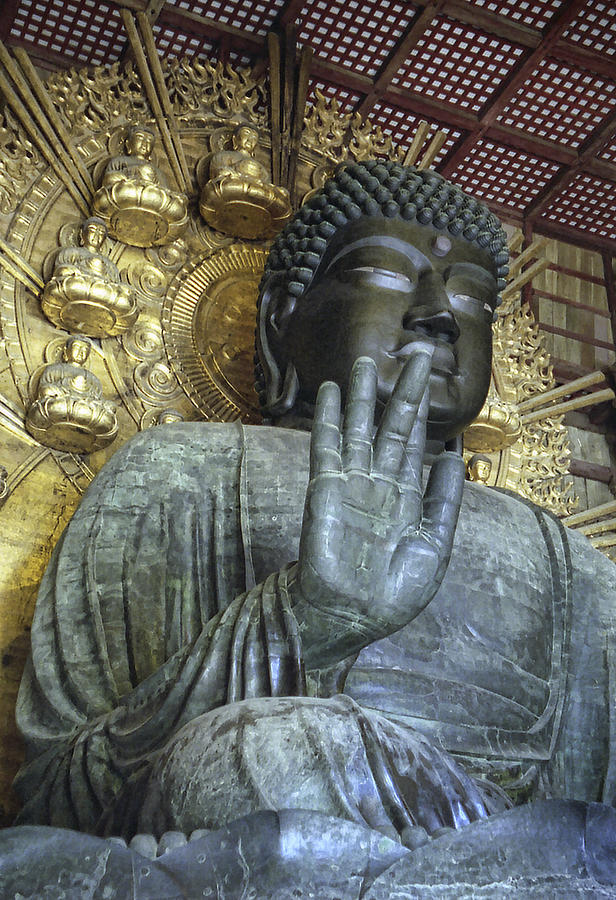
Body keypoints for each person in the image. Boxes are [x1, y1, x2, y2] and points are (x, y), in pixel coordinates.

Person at [7, 161, 616, 894]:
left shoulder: (563, 559)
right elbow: (53, 796)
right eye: (390, 277)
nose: (438, 315)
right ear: (279, 323)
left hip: (499, 862)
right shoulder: (175, 471)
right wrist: (299, 621)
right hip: (217, 832)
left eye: (472, 299)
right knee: (273, 749)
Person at [40, 217, 138, 338]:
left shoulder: (110, 265)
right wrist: (72, 271)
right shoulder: (71, 252)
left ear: (104, 241)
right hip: (77, 286)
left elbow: (114, 286)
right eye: (93, 230)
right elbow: (61, 272)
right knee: (67, 275)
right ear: (82, 234)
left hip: (101, 292)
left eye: (101, 233)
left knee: (125, 293)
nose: (96, 235)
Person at [92, 126, 188, 247]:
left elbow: (164, 192)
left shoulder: (156, 171)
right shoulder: (119, 161)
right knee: (113, 178)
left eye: (149, 142)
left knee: (177, 199)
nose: (144, 144)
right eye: (140, 139)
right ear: (128, 144)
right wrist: (132, 175)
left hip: (149, 197)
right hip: (125, 192)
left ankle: (144, 186)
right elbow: (109, 179)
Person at [199, 123, 292, 238]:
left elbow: (264, 186)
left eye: (254, 138)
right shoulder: (224, 156)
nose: (250, 139)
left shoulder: (261, 168)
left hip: (254, 193)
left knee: (283, 193)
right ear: (235, 139)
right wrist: (236, 172)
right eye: (246, 133)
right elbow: (218, 173)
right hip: (230, 188)